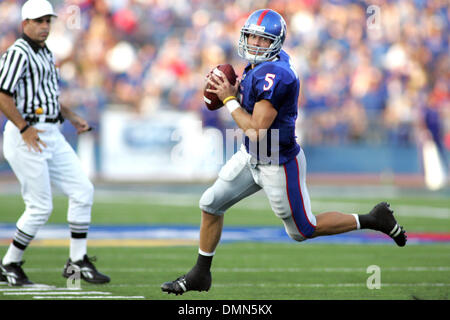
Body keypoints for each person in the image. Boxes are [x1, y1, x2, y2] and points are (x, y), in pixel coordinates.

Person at [161, 9, 407, 295]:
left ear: (276, 42)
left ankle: (374, 218)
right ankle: (200, 275)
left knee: (303, 230)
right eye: (251, 35)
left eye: (262, 39)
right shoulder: (263, 65)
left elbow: (255, 128)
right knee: (210, 203)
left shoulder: (278, 74)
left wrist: (229, 98)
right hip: (251, 155)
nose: (254, 42)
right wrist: (238, 92)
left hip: (278, 163)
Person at [0, 0, 109, 286]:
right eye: (39, 21)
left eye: (48, 21)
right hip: (28, 135)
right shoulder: (18, 52)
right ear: (25, 24)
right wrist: (24, 127)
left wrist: (71, 116)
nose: (45, 26)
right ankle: (9, 263)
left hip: (51, 132)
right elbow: (2, 95)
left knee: (83, 190)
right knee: (39, 207)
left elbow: (47, 97)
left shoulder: (46, 53)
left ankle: (76, 262)